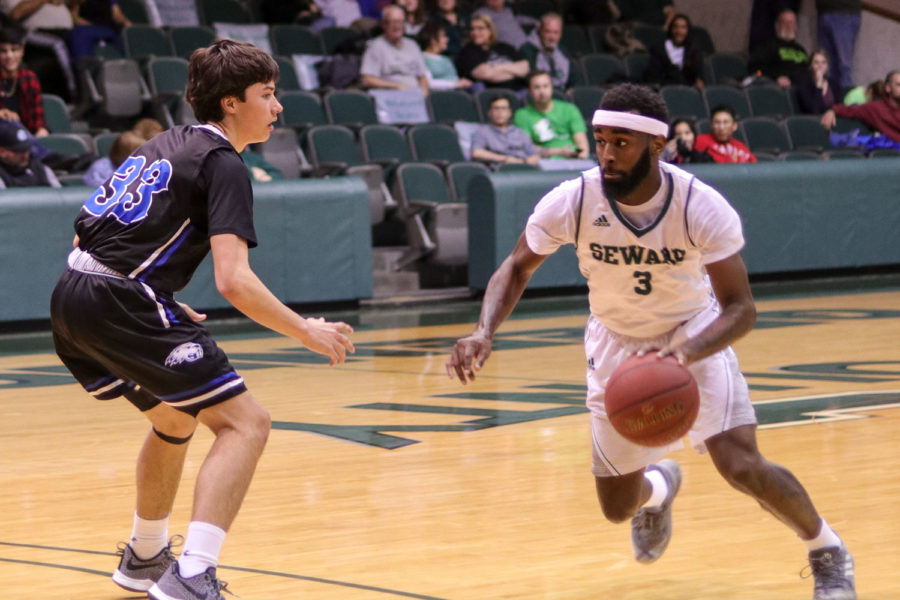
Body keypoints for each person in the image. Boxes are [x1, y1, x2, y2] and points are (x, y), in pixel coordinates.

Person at [446, 81, 857, 600]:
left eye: (622, 142)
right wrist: (484, 331)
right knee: (617, 507)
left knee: (740, 464)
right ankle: (660, 488)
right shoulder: (573, 198)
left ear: (656, 146)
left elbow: (741, 309)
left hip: (693, 334)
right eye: (601, 141)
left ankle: (828, 549)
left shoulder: (699, 205)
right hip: (616, 343)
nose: (607, 154)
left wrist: (686, 352)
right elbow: (516, 266)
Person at [49, 40, 355, 600]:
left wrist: (152, 293)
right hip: (120, 300)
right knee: (247, 424)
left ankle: (144, 557)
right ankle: (192, 575)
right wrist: (305, 329)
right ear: (232, 102)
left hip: (72, 293)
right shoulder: (225, 164)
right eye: (268, 94)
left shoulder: (163, 142)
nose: (278, 106)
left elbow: (83, 234)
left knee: (175, 419)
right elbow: (233, 281)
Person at [513, 69, 588, 159]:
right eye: (537, 87)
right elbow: (526, 148)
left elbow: (583, 147)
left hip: (573, 160)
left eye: (546, 86)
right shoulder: (522, 114)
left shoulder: (569, 109)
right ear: (529, 91)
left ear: (551, 87)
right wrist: (560, 152)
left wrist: (581, 159)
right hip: (543, 164)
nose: (542, 91)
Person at [359, 5, 429, 94]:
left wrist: (424, 94)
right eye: (393, 22)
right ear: (384, 24)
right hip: (390, 97)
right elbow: (367, 79)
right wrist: (395, 86)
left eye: (400, 22)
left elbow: (422, 76)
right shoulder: (376, 46)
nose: (397, 26)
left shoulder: (412, 45)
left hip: (414, 97)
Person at [821, 70, 900, 143]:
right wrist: (832, 111)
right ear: (888, 88)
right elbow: (850, 110)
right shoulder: (876, 108)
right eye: (898, 85)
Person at [455, 14, 529, 91]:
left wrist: (499, 67)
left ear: (490, 30)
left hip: (518, 90)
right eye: (472, 29)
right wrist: (513, 71)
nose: (475, 32)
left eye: (480, 28)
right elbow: (485, 74)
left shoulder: (504, 47)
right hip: (491, 94)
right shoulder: (467, 52)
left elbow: (524, 68)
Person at [0, 25, 48, 137]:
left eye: (14, 50)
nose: (9, 56)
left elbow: (38, 122)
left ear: (22, 51)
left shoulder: (29, 78)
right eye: (3, 51)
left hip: (25, 141)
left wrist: (40, 135)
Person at [471, 94, 539, 168]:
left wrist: (523, 162)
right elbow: (476, 153)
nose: (500, 112)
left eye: (503, 108)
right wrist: (505, 159)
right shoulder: (484, 131)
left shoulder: (519, 131)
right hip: (500, 169)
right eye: (496, 108)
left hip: (524, 167)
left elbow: (534, 154)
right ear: (489, 113)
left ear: (510, 113)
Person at [748, 8, 809, 89]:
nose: (788, 26)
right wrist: (776, 77)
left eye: (791, 22)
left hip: (803, 85)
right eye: (784, 22)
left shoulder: (801, 49)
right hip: (782, 87)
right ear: (777, 25)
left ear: (796, 26)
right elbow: (755, 68)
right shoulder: (768, 47)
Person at [644, 13, 705, 89]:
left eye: (683, 27)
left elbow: (697, 76)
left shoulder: (693, 50)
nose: (679, 31)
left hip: (686, 91)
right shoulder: (659, 49)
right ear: (671, 29)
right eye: (675, 27)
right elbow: (653, 76)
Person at [519, 12, 574, 93]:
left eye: (556, 32)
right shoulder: (527, 49)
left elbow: (574, 79)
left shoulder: (563, 51)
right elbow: (527, 80)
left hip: (561, 94)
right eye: (548, 32)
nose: (552, 37)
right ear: (540, 31)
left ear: (561, 34)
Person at [815, 0, 860, 91]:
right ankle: (828, 101)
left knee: (843, 66)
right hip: (824, 10)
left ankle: (844, 102)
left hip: (843, 10)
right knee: (825, 66)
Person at [0, 118, 58, 186]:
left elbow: (59, 194)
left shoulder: (42, 169)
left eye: (26, 149)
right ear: (2, 151)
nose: (25, 156)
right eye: (19, 151)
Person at [418, 20, 470, 91]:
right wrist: (454, 84)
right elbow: (427, 83)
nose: (447, 39)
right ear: (433, 39)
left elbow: (455, 80)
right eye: (443, 36)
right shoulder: (422, 58)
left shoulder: (447, 59)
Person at [795, 49, 842, 115]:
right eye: (816, 62)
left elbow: (839, 107)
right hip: (813, 122)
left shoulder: (834, 83)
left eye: (823, 62)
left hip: (833, 120)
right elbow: (814, 111)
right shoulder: (804, 84)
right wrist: (819, 85)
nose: (820, 66)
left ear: (827, 66)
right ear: (811, 66)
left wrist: (831, 113)